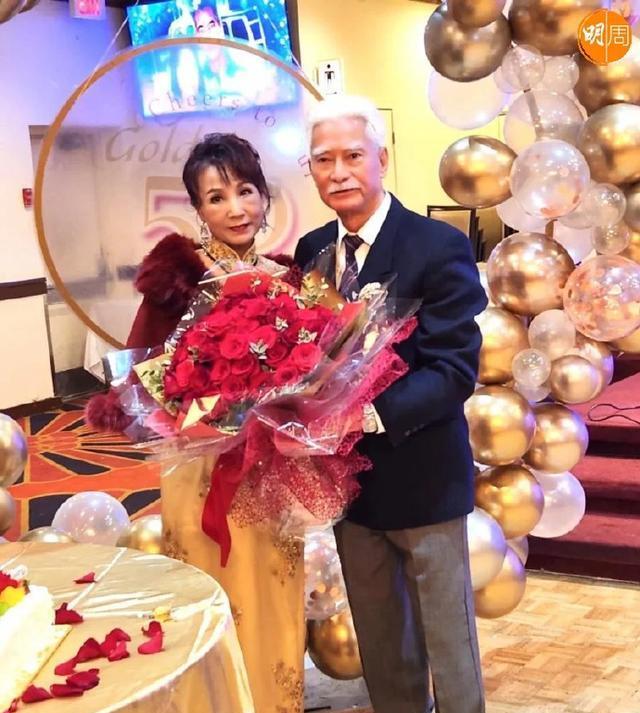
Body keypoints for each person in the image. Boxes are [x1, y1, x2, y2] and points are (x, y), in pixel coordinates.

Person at [88, 133, 304, 713]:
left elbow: (311, 375)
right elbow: (140, 377)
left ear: (265, 196)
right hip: (199, 466)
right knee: (209, 586)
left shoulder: (290, 279)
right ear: (197, 208)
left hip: (270, 468)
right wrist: (199, 415)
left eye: (245, 191)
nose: (235, 209)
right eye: (215, 198)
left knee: (273, 586)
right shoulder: (179, 278)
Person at [294, 95, 488, 713]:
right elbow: (306, 359)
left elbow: (454, 369)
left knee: (448, 640)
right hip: (350, 483)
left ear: (381, 158)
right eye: (323, 160)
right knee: (381, 640)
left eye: (353, 156)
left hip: (424, 472)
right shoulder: (312, 252)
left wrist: (367, 415)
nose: (339, 172)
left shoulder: (436, 244)